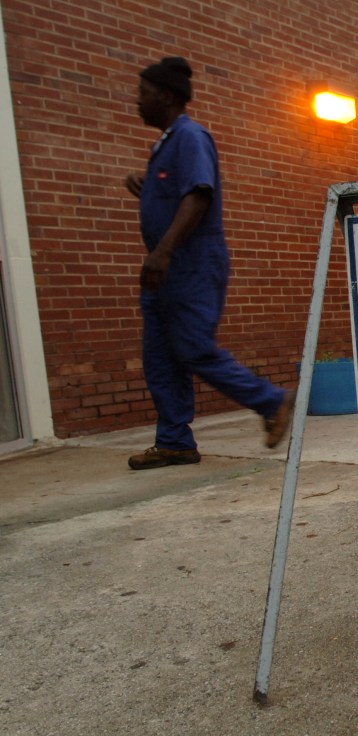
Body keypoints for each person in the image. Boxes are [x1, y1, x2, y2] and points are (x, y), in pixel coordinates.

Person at [124, 56, 293, 470]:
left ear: (166, 95)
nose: (136, 102)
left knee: (193, 347)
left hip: (189, 264)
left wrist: (163, 251)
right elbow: (177, 193)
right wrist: (148, 192)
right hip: (165, 270)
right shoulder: (165, 144)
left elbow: (199, 195)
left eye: (143, 94)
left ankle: (271, 401)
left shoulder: (190, 136)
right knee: (161, 356)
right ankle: (174, 442)